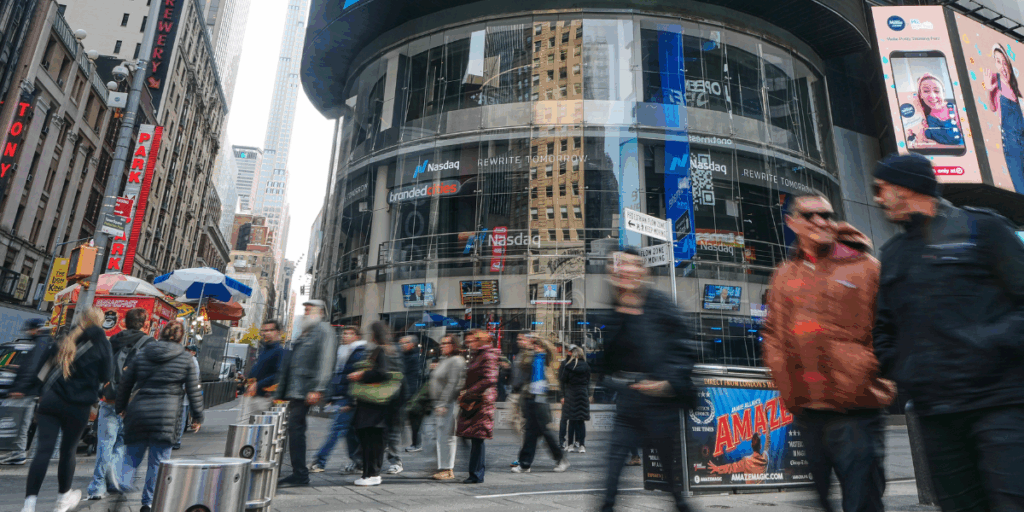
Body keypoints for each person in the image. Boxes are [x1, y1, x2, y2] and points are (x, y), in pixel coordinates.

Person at [872, 153, 1024, 512]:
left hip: (999, 404)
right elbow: (883, 327)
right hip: (935, 415)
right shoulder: (893, 254)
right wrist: (902, 367)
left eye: (882, 189)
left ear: (906, 187)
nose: (878, 199)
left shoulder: (983, 228)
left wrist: (986, 343)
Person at [760, 191, 895, 512]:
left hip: (857, 411)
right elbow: (773, 334)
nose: (821, 221)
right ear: (792, 223)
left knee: (862, 502)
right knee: (822, 501)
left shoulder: (865, 267)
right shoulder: (784, 275)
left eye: (826, 214)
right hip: (807, 412)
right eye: (810, 215)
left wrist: (874, 370)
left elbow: (893, 325)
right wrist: (783, 380)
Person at [600, 248, 698, 512]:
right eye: (619, 264)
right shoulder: (615, 310)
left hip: (659, 403)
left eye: (632, 264)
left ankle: (682, 505)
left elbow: (686, 345)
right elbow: (609, 360)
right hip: (628, 403)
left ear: (643, 271)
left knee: (670, 474)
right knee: (612, 469)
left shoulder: (660, 303)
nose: (625, 269)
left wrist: (668, 382)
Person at [21, 308, 111, 512]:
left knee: (43, 451)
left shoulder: (66, 337)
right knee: (68, 451)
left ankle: (29, 505)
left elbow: (43, 369)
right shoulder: (102, 343)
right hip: (78, 406)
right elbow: (106, 375)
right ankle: (62, 500)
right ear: (100, 321)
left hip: (51, 401)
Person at [116, 320, 203, 512]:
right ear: (181, 337)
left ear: (162, 333)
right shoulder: (185, 358)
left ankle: (123, 483)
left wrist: (120, 407)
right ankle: (148, 502)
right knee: (158, 462)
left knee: (132, 455)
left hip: (139, 411)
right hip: (167, 415)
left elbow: (126, 382)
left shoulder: (144, 352)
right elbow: (193, 390)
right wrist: (197, 416)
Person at [86, 308, 153, 499]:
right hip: (132, 402)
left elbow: (99, 367)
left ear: (124, 322)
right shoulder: (149, 343)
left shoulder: (113, 340)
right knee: (122, 443)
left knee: (105, 444)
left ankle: (97, 486)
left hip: (109, 399)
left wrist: (101, 390)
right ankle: (113, 481)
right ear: (145, 324)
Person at [274, 300, 337, 487]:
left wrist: (318, 388)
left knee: (296, 429)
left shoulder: (324, 330)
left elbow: (326, 360)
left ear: (320, 312)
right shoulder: (306, 331)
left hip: (306, 389)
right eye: (305, 309)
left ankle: (300, 474)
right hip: (296, 390)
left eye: (309, 309)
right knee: (295, 429)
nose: (305, 312)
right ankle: (298, 472)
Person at [349, 321, 401, 487]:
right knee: (370, 440)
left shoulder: (381, 351)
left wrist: (362, 375)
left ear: (375, 334)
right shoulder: (388, 350)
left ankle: (372, 474)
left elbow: (382, 373)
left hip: (374, 405)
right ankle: (369, 474)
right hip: (376, 405)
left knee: (371, 441)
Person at [311, 326, 367, 473]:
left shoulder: (360, 353)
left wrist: (351, 401)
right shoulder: (342, 351)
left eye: (350, 333)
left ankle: (320, 462)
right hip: (340, 397)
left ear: (357, 336)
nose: (345, 336)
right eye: (344, 333)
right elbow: (336, 376)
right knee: (348, 432)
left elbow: (356, 379)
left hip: (348, 398)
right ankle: (359, 462)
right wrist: (331, 396)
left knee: (336, 430)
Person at [511, 333, 569, 474]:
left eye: (537, 345)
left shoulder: (546, 357)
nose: (535, 347)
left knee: (545, 431)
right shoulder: (530, 356)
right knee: (530, 432)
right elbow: (522, 364)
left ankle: (560, 459)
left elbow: (551, 349)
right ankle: (525, 464)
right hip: (530, 396)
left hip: (542, 397)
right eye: (534, 344)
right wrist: (530, 347)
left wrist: (538, 340)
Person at [2, 319, 53, 466]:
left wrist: (20, 388)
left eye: (29, 330)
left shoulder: (41, 343)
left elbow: (32, 367)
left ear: (36, 329)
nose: (28, 332)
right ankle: (18, 453)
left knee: (17, 423)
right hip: (31, 390)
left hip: (26, 391)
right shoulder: (44, 342)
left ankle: (18, 453)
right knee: (21, 423)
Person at [457, 329, 499, 484]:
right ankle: (475, 471)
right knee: (472, 436)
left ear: (480, 341)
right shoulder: (478, 354)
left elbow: (490, 379)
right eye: (467, 341)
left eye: (472, 341)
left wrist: (469, 391)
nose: (468, 343)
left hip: (481, 401)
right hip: (474, 399)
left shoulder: (487, 355)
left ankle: (476, 474)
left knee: (477, 438)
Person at [985, 43, 1024, 192]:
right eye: (998, 61)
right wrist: (989, 91)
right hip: (1012, 143)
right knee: (1021, 187)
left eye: (1004, 62)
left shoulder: (1015, 87)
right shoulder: (996, 82)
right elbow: (993, 108)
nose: (1002, 66)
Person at [429, 334, 466, 480]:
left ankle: (448, 469)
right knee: (441, 437)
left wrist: (444, 403)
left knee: (447, 437)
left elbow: (453, 384)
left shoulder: (456, 360)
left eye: (446, 343)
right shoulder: (446, 360)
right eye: (441, 343)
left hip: (447, 403)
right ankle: (444, 467)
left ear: (454, 345)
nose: (442, 346)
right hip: (440, 402)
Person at [914, 74, 963, 146]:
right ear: (920, 95)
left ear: (943, 93)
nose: (932, 96)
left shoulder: (955, 109)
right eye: (926, 91)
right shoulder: (922, 112)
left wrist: (937, 146)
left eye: (937, 91)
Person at [246, 319, 285, 406]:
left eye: (271, 330)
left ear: (278, 332)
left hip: (264, 399)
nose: (267, 333)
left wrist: (257, 384)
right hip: (252, 396)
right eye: (265, 330)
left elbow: (279, 375)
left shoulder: (280, 351)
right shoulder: (264, 349)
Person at [560, 345, 591, 454]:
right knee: (581, 421)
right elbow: (588, 380)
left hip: (571, 394)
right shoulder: (586, 366)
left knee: (572, 420)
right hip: (583, 394)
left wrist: (563, 394)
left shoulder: (568, 366)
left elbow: (563, 380)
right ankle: (582, 445)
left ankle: (570, 445)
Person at [400, 335, 424, 453]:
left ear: (412, 344)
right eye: (401, 343)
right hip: (406, 392)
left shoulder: (414, 357)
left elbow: (408, 376)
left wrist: (409, 395)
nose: (402, 345)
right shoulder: (406, 355)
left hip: (411, 393)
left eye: (405, 343)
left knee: (414, 420)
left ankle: (416, 444)